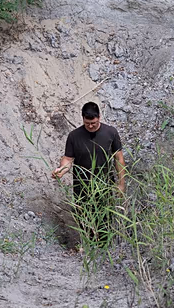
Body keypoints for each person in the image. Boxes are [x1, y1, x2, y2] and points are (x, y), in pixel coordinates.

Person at [52, 102, 126, 245]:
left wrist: (121, 183)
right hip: (82, 187)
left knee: (105, 220)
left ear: (99, 117)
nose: (90, 126)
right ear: (82, 119)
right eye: (87, 123)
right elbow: (68, 159)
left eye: (93, 123)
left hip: (104, 185)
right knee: (84, 219)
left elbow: (119, 159)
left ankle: (104, 249)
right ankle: (88, 247)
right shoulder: (74, 136)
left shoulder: (111, 133)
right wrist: (61, 170)